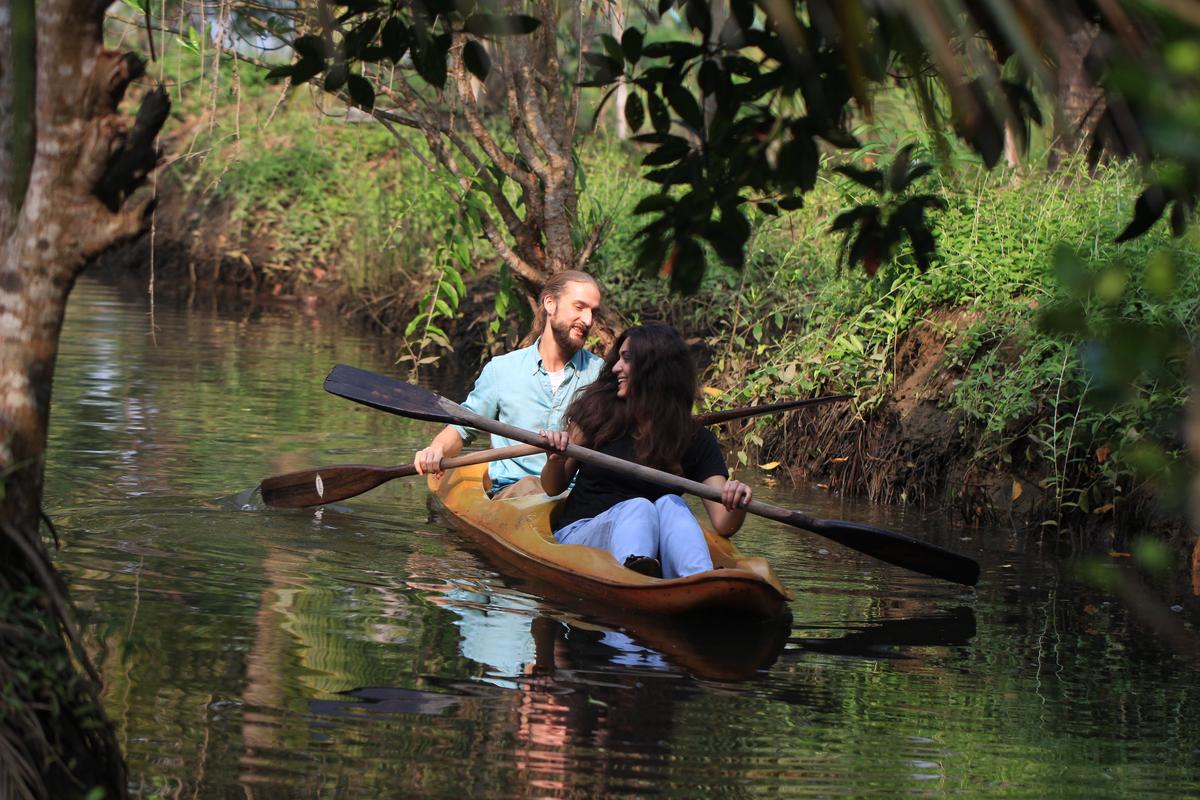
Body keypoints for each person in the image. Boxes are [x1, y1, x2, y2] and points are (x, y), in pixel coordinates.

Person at [540, 324, 752, 579]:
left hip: (649, 545)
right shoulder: (597, 413)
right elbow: (553, 487)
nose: (616, 367)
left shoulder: (695, 439)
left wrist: (736, 501)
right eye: (618, 358)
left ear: (655, 369)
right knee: (639, 507)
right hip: (580, 534)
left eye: (626, 359)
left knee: (672, 504)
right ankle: (635, 575)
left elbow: (723, 522)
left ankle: (697, 579)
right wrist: (556, 459)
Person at [414, 270, 604, 499]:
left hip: (574, 497)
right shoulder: (501, 371)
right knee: (531, 488)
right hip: (514, 493)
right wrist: (436, 451)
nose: (588, 320)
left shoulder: (601, 375)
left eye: (593, 312)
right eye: (579, 307)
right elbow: (462, 428)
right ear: (550, 304)